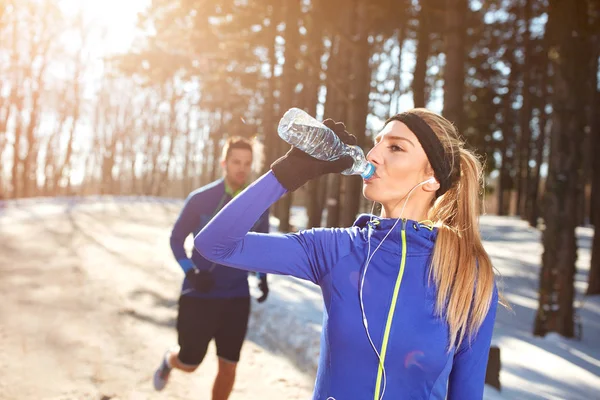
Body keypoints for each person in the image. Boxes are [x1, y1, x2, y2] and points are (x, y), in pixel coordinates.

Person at [194, 108, 500, 400]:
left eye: (395, 148)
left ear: (432, 177)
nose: (373, 154)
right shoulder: (336, 250)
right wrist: (287, 173)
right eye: (378, 142)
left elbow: (467, 393)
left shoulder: (468, 275)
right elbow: (216, 243)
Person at [153, 136, 271, 400]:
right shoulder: (200, 199)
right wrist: (190, 271)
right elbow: (176, 239)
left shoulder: (258, 205)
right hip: (199, 295)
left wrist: (262, 277)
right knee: (190, 363)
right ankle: (170, 361)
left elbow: (261, 247)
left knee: (229, 366)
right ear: (224, 163)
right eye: (236, 162)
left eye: (247, 163)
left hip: (236, 296)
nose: (241, 168)